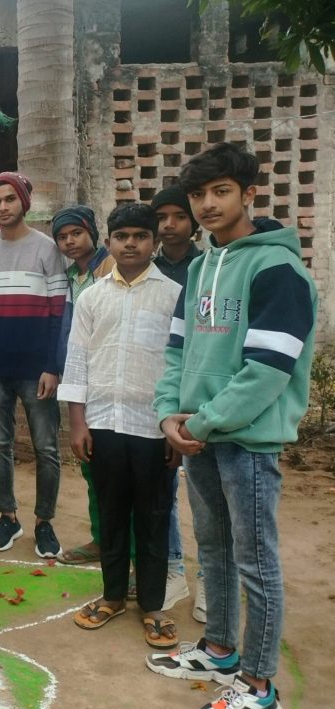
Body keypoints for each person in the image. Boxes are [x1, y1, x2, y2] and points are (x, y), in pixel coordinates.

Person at [147, 142, 316, 709]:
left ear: (249, 193)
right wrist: (169, 413)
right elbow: (175, 351)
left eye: (221, 191)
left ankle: (260, 686)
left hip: (247, 439)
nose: (207, 204)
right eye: (198, 194)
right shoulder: (199, 267)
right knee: (212, 547)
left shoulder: (277, 269)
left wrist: (202, 419)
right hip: (197, 433)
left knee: (256, 560)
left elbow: (270, 369)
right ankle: (219, 648)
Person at [60, 204, 182, 650]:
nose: (130, 244)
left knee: (153, 518)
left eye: (140, 236)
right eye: (122, 236)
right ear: (109, 242)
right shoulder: (92, 297)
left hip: (153, 429)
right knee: (110, 515)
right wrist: (77, 422)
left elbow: (180, 365)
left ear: (154, 242)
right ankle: (111, 596)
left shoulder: (173, 295)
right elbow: (76, 360)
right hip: (103, 424)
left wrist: (173, 426)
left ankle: (153, 606)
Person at [0, 172, 67, 558]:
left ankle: (45, 523)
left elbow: (58, 313)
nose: (3, 207)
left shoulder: (47, 249)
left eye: (10, 199)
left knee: (45, 448)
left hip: (36, 369)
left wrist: (52, 366)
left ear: (23, 202)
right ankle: (8, 516)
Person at [152, 184, 207, 622]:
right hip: (163, 392)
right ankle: (172, 570)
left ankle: (209, 576)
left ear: (193, 222)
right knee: (164, 489)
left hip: (205, 396)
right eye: (162, 218)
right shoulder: (147, 271)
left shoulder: (208, 269)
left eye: (178, 217)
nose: (169, 225)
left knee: (206, 492)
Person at [52, 204, 114, 567]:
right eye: (62, 237)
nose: (70, 241)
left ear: (92, 231)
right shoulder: (72, 276)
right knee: (93, 466)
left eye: (76, 233)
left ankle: (135, 555)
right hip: (82, 380)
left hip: (110, 381)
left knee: (117, 472)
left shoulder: (111, 270)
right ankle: (102, 540)